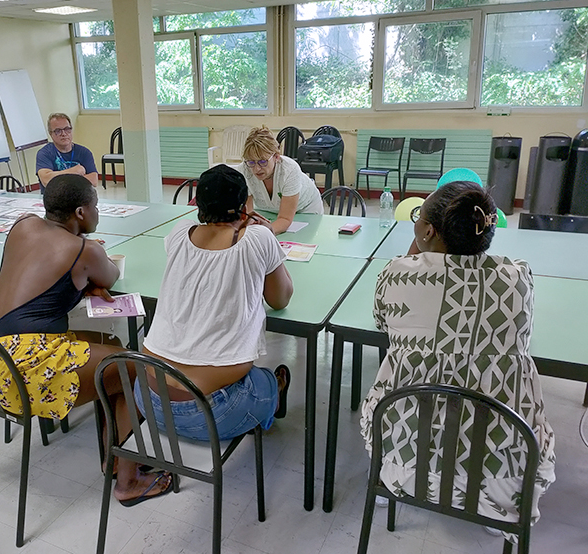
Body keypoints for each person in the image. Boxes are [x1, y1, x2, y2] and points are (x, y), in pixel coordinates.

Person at [360, 181, 556, 536]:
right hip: (505, 482)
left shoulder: (396, 276)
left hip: (404, 459)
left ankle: (393, 488)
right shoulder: (518, 280)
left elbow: (382, 319)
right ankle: (495, 514)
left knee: (393, 398)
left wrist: (421, 251)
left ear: (430, 231)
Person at [0, 174, 172, 506]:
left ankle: (113, 454)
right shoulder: (82, 249)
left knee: (112, 352)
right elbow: (110, 275)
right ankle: (128, 481)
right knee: (134, 369)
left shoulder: (22, 225)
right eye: (96, 206)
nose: (98, 212)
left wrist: (83, 278)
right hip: (28, 369)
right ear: (82, 213)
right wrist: (90, 273)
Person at [136, 164, 294, 441]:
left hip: (146, 399)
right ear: (246, 204)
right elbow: (280, 299)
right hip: (213, 414)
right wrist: (263, 238)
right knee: (267, 382)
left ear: (198, 206)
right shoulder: (258, 237)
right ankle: (270, 403)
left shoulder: (179, 232)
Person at [236, 126, 323, 235]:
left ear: (276, 156)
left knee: (298, 241)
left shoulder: (289, 170)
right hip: (268, 210)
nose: (257, 168)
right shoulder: (244, 170)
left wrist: (261, 235)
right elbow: (247, 214)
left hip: (305, 208)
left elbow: (285, 219)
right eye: (251, 162)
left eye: (263, 162)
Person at [35, 113, 98, 189]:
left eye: (67, 129)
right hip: (54, 199)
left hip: (79, 197)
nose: (64, 134)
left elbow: (94, 180)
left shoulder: (84, 152)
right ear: (51, 134)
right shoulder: (45, 153)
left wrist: (57, 178)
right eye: (58, 131)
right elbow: (46, 180)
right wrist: (75, 171)